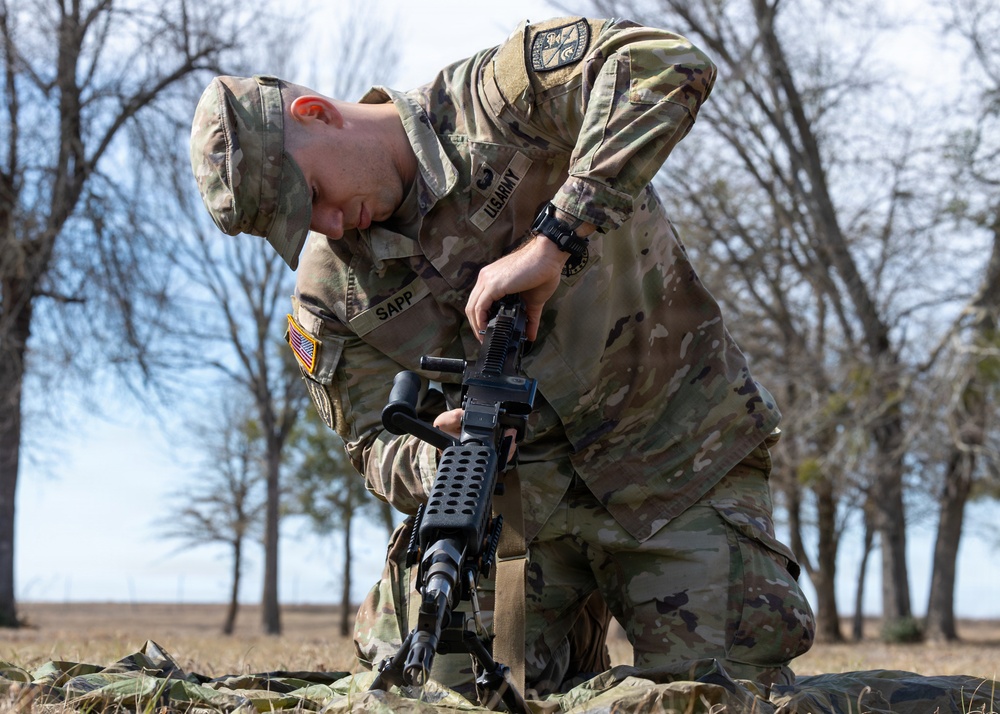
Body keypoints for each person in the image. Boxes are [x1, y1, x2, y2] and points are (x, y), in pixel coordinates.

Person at [189, 14, 815, 699]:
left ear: (317, 115)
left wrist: (557, 234)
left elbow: (665, 63)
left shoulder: (494, 100)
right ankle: (564, 640)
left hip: (674, 453)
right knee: (426, 697)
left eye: (313, 197)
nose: (330, 225)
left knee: (724, 698)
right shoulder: (327, 292)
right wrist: (439, 456)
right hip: (513, 513)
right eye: (305, 223)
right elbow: (371, 443)